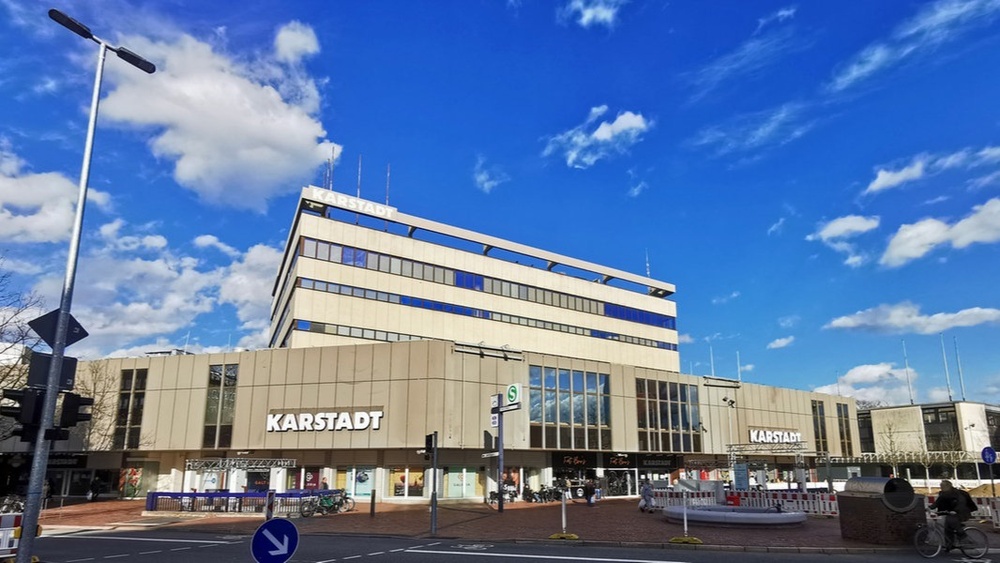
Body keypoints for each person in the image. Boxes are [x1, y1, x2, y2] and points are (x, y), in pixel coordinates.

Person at [929, 480, 970, 547]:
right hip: (949, 513)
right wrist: (929, 508)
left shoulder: (956, 493)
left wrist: (955, 510)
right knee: (947, 529)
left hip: (960, 512)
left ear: (948, 486)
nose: (941, 487)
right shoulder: (942, 494)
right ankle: (949, 545)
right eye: (941, 486)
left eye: (942, 486)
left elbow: (961, 503)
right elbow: (937, 502)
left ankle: (964, 538)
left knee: (952, 521)